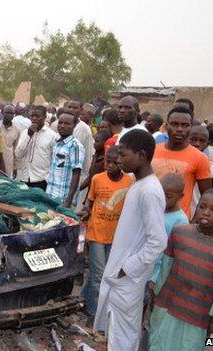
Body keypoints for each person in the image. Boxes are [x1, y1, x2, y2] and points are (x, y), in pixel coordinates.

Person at [93, 129, 167, 351]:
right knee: (118, 328)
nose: (119, 159)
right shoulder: (138, 184)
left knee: (124, 332)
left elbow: (158, 241)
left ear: (141, 156)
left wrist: (128, 267)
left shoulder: (150, 191)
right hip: (122, 270)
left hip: (128, 274)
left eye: (124, 155)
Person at [149, 189, 213, 351]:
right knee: (158, 343)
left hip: (198, 315)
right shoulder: (180, 232)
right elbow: (165, 268)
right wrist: (156, 296)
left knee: (193, 346)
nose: (206, 213)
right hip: (167, 306)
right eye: (202, 207)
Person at [78, 146, 133, 323]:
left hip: (116, 235)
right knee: (99, 274)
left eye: (114, 162)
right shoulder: (97, 179)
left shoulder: (129, 182)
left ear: (122, 163)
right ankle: (93, 313)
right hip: (96, 232)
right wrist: (85, 214)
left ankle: (82, 300)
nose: (109, 165)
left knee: (104, 273)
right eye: (107, 161)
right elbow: (90, 203)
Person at [152, 106, 211, 218]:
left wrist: (194, 223)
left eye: (185, 125)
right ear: (166, 125)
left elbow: (207, 197)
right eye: (174, 124)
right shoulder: (153, 150)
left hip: (178, 224)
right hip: (149, 217)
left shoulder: (200, 158)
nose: (179, 129)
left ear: (191, 127)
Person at [148, 173, 188, 300]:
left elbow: (176, 254)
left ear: (180, 196)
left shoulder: (181, 221)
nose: (162, 199)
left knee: (155, 304)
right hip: (144, 266)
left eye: (168, 197)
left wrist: (157, 276)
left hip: (159, 274)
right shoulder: (155, 209)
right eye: (160, 194)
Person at [46, 110, 85, 207]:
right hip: (50, 194)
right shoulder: (57, 144)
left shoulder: (75, 146)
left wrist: (68, 200)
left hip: (63, 199)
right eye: (60, 122)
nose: (62, 126)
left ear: (74, 125)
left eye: (67, 123)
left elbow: (76, 173)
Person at [14, 105, 58, 191]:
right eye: (32, 116)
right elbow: (18, 155)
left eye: (37, 116)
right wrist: (28, 136)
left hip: (41, 180)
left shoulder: (52, 135)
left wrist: (48, 178)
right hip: (25, 178)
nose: (34, 118)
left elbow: (54, 160)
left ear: (45, 117)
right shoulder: (25, 133)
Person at [78, 130, 112, 194]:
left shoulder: (105, 161)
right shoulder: (95, 156)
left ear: (105, 143)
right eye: (94, 140)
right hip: (91, 192)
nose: (94, 143)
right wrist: (77, 190)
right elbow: (90, 177)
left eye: (97, 141)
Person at [0, 106, 21, 177]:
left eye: (11, 113)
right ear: (2, 113)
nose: (9, 115)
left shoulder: (16, 130)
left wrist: (15, 167)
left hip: (8, 163)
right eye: (7, 113)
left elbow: (16, 150)